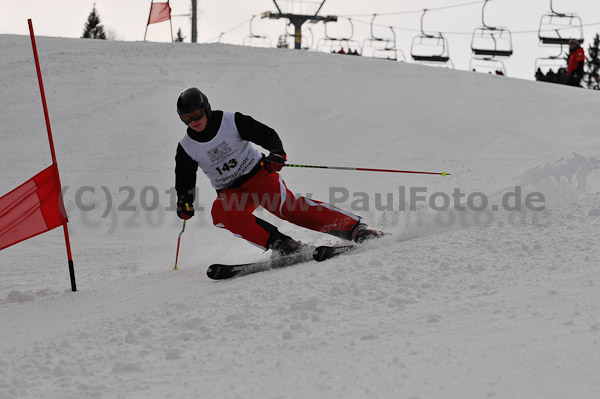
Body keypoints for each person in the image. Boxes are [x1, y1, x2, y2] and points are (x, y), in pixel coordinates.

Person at [174, 87, 383, 256]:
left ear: (206, 109)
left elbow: (267, 134)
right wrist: (185, 202)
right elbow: (184, 179)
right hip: (231, 191)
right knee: (221, 214)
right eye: (186, 118)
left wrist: (276, 154)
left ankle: (355, 229)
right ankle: (282, 243)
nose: (193, 121)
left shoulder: (231, 122)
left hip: (258, 176)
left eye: (196, 114)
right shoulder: (187, 147)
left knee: (287, 208)